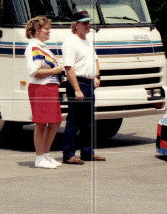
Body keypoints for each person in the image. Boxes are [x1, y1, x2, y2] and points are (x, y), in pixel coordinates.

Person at [59, 10, 106, 164]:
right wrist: (77, 89)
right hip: (77, 84)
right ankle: (69, 154)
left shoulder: (87, 41)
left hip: (89, 84)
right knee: (74, 121)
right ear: (76, 25)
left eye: (88, 22)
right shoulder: (70, 42)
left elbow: (95, 60)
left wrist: (96, 76)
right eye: (84, 23)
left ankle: (87, 152)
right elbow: (69, 68)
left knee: (88, 121)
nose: (88, 25)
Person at [24, 16, 63, 169]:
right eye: (46, 29)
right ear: (37, 30)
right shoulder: (33, 47)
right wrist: (56, 70)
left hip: (50, 88)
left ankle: (45, 154)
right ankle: (39, 158)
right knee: (41, 123)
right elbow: (34, 72)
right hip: (41, 88)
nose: (49, 32)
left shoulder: (43, 47)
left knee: (55, 121)